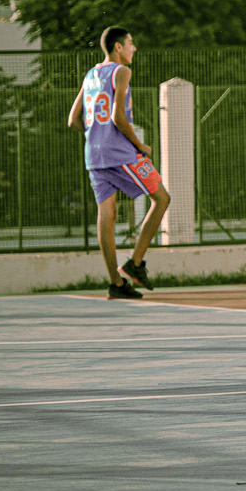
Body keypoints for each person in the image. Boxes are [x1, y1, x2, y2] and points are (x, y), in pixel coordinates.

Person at [65, 27, 172, 300]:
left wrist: (96, 137)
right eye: (130, 43)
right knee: (161, 198)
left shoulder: (91, 74)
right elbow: (118, 117)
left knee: (107, 217)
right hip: (119, 152)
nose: (134, 48)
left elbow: (73, 120)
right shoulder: (121, 72)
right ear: (118, 47)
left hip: (94, 155)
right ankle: (135, 264)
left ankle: (116, 283)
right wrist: (140, 145)